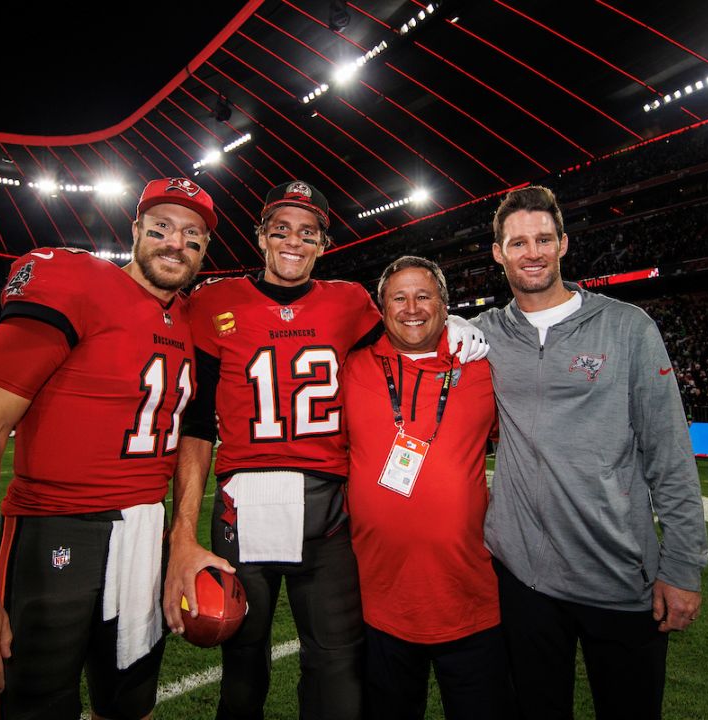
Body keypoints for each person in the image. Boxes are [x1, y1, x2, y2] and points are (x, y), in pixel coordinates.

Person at [162, 180, 488, 720]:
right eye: (282, 229)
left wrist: (452, 322)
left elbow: (405, 334)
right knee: (242, 666)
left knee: (338, 666)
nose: (294, 241)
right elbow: (196, 424)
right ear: (261, 236)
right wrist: (182, 532)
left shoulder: (350, 303)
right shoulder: (213, 302)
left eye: (307, 232)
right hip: (243, 504)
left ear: (322, 243)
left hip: (328, 506)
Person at [0, 176, 215, 720]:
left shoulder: (191, 318)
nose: (174, 243)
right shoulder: (76, 279)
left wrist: (180, 534)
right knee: (36, 704)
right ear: (135, 230)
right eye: (160, 227)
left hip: (143, 532)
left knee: (131, 703)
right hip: (57, 528)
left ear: (204, 250)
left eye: (192, 235)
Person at [470, 185, 708, 720]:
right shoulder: (481, 336)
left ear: (563, 245)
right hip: (523, 578)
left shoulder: (627, 327)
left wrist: (684, 567)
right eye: (517, 242)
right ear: (497, 253)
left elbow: (669, 453)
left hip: (618, 574)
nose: (531, 252)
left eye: (543, 239)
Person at [342, 256, 510, 720]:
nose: (411, 307)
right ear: (381, 308)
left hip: (472, 597)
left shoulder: (483, 365)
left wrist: (467, 325)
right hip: (381, 601)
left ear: (444, 304)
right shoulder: (350, 367)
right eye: (399, 297)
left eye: (424, 296)